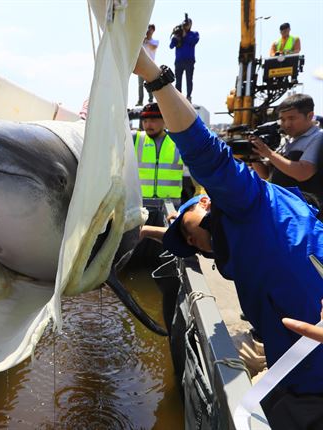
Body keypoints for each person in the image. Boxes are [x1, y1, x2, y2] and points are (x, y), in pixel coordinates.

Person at [134, 47, 323, 428]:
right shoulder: (236, 245)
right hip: (299, 376)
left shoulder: (246, 203)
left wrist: (153, 75)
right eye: (191, 244)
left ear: (208, 200)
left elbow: (205, 152)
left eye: (191, 228)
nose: (197, 240)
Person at [250, 94, 323, 204]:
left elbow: (303, 173)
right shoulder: (286, 139)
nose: (287, 124)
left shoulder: (318, 137)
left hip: (306, 211)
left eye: (291, 118)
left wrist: (269, 153)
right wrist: (254, 154)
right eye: (282, 119)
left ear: (309, 116)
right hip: (283, 207)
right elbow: (265, 174)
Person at [133, 103, 183, 199]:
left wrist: (200, 187)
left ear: (165, 120)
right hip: (140, 204)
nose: (148, 125)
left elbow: (194, 166)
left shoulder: (178, 142)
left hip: (171, 204)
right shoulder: (135, 139)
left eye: (153, 121)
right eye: (145, 121)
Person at [169, 16, 199, 102]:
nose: (186, 26)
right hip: (179, 61)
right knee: (178, 81)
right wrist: (176, 37)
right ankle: (179, 97)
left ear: (190, 25)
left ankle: (189, 96)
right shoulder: (178, 34)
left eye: (188, 24)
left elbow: (193, 41)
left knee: (189, 80)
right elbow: (171, 46)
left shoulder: (194, 34)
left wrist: (185, 35)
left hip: (189, 61)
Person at [137, 24, 159, 106]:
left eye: (150, 29)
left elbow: (153, 47)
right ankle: (140, 101)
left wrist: (146, 41)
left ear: (153, 30)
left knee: (150, 84)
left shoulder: (155, 42)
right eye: (148, 29)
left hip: (150, 65)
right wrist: (143, 39)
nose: (148, 31)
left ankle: (150, 100)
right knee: (140, 85)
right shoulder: (142, 41)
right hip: (141, 64)